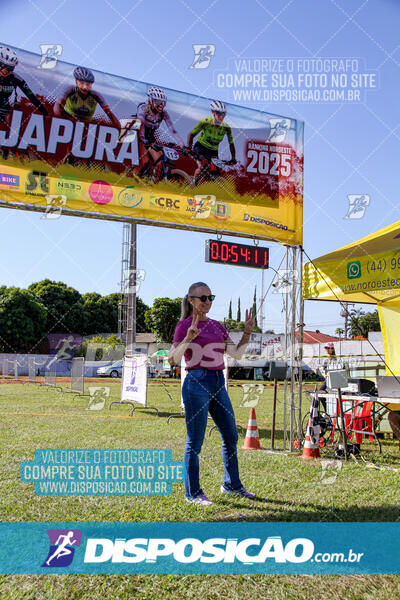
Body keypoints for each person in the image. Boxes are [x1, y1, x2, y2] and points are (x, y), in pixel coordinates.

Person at [168, 281, 255, 506]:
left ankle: (231, 485)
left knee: (231, 436)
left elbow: (235, 354)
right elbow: (172, 359)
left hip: (218, 382)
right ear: (191, 301)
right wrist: (188, 337)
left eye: (210, 298)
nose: (207, 302)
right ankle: (193, 493)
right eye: (203, 298)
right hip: (196, 382)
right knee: (195, 442)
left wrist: (246, 333)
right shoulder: (184, 325)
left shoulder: (217, 326)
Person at [54, 66, 120, 128]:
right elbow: (58, 105)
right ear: (76, 81)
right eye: (82, 83)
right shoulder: (70, 90)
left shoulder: (96, 95)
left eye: (88, 84)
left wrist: (118, 127)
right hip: (69, 121)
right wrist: (59, 122)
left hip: (86, 125)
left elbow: (110, 114)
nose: (85, 87)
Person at [187, 100, 236, 179]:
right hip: (200, 148)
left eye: (223, 114)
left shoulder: (226, 128)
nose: (221, 117)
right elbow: (191, 134)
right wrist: (189, 148)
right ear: (213, 112)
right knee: (202, 168)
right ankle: (193, 185)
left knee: (216, 173)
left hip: (213, 152)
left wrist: (233, 158)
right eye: (219, 113)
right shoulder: (206, 122)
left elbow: (231, 144)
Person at [0, 45, 48, 124]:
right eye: (6, 70)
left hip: (4, 113)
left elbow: (32, 97)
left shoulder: (15, 78)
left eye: (11, 69)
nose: (8, 73)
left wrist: (46, 113)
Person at [136, 86, 178, 176]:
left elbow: (173, 130)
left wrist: (181, 145)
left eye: (163, 103)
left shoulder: (163, 113)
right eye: (158, 102)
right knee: (145, 162)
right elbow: (140, 124)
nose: (161, 105)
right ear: (151, 100)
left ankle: (153, 182)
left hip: (150, 139)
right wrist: (143, 139)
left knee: (159, 163)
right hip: (139, 136)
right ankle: (134, 179)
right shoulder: (143, 107)